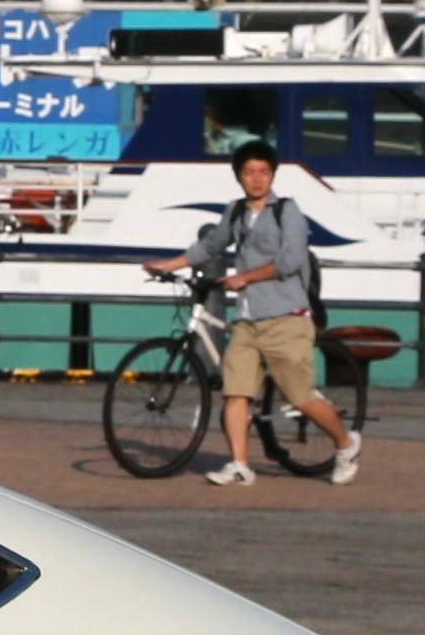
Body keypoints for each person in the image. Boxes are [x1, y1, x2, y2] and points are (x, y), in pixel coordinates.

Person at [145, 142, 365, 488]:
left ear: (272, 175)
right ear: (239, 177)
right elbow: (210, 246)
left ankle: (345, 443)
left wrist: (245, 277)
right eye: (249, 172)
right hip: (247, 319)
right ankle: (239, 465)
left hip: (286, 316)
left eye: (264, 172)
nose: (257, 179)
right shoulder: (235, 211)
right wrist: (167, 265)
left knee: (301, 397)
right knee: (235, 393)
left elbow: (291, 260)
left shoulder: (287, 211)